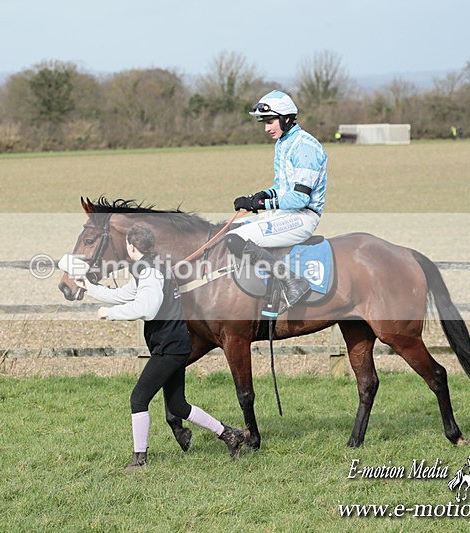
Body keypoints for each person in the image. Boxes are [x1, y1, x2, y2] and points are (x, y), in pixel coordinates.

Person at [74, 222, 248, 471]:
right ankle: (231, 435)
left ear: (131, 246)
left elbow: (147, 308)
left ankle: (139, 460)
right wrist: (90, 288)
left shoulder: (150, 272)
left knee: (138, 399)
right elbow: (127, 294)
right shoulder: (150, 266)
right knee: (179, 406)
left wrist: (110, 314)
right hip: (173, 345)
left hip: (169, 348)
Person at [226, 89, 329, 309]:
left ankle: (293, 281)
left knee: (235, 239)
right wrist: (260, 196)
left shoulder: (304, 147)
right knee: (229, 230)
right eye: (264, 122)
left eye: (270, 121)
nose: (267, 128)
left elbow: (300, 198)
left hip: (302, 217)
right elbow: (282, 187)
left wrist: (261, 204)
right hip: (286, 213)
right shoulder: (284, 142)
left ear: (287, 118)